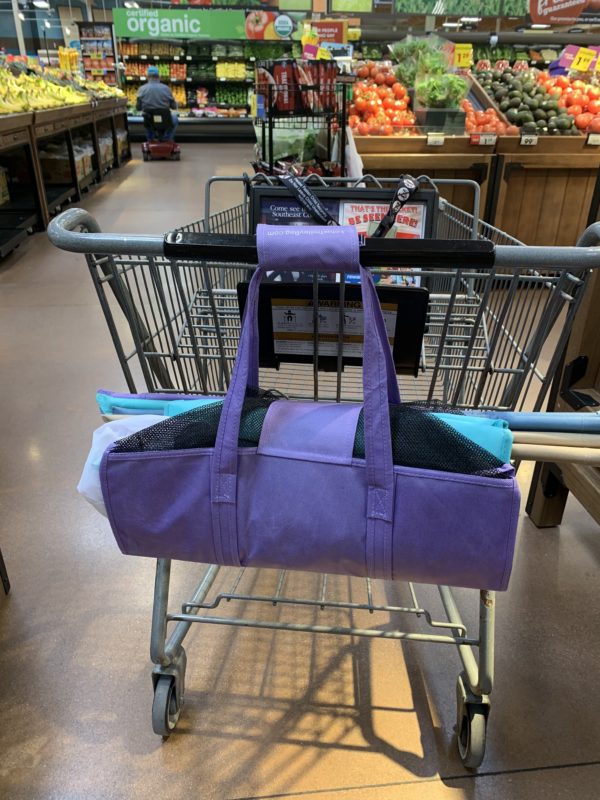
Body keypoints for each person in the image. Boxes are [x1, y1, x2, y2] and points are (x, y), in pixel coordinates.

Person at [136, 65, 178, 141]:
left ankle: (150, 139)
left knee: (148, 123)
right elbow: (174, 106)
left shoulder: (141, 89)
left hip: (149, 119)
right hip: (165, 119)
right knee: (174, 119)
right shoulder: (166, 88)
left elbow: (138, 108)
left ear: (148, 77)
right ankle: (167, 139)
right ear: (159, 77)